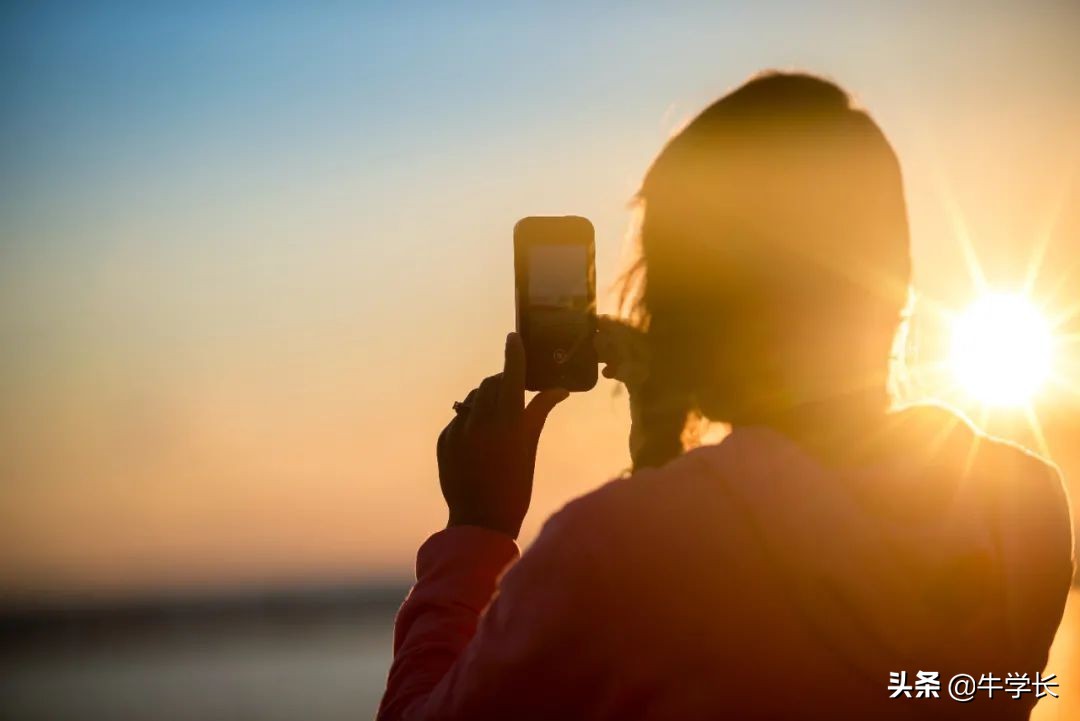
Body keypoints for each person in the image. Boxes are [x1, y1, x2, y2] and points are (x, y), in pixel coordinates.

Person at [376, 72, 1074, 720]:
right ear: (898, 273)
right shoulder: (1026, 510)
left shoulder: (609, 551)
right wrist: (658, 445)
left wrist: (475, 528)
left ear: (681, 301)